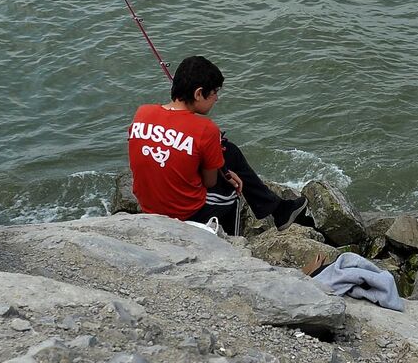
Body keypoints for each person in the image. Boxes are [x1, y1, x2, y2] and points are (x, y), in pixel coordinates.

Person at [127, 55, 308, 232]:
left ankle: (279, 210)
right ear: (198, 93)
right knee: (234, 191)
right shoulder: (205, 128)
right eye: (214, 92)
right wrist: (226, 174)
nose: (216, 99)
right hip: (184, 212)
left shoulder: (142, 113)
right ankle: (232, 247)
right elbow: (210, 181)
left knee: (228, 150)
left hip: (149, 206)